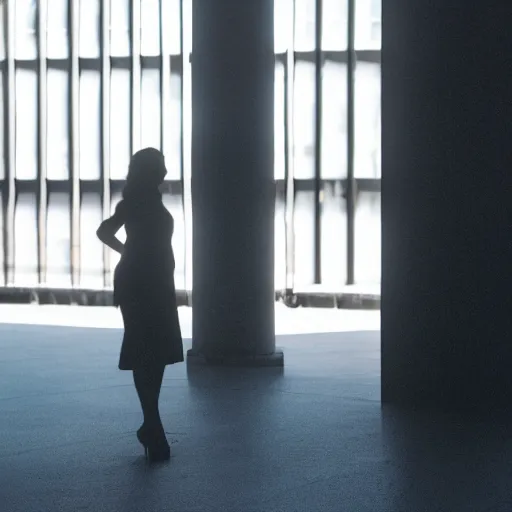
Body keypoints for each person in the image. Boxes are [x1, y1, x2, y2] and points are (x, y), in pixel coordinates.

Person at [96, 147, 184, 463]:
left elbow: (106, 232)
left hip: (153, 280)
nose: (165, 170)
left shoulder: (142, 201)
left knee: (152, 350)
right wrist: (129, 253)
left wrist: (128, 253)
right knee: (147, 349)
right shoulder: (134, 202)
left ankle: (151, 421)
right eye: (160, 166)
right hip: (142, 282)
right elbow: (104, 231)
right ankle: (152, 423)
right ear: (149, 171)